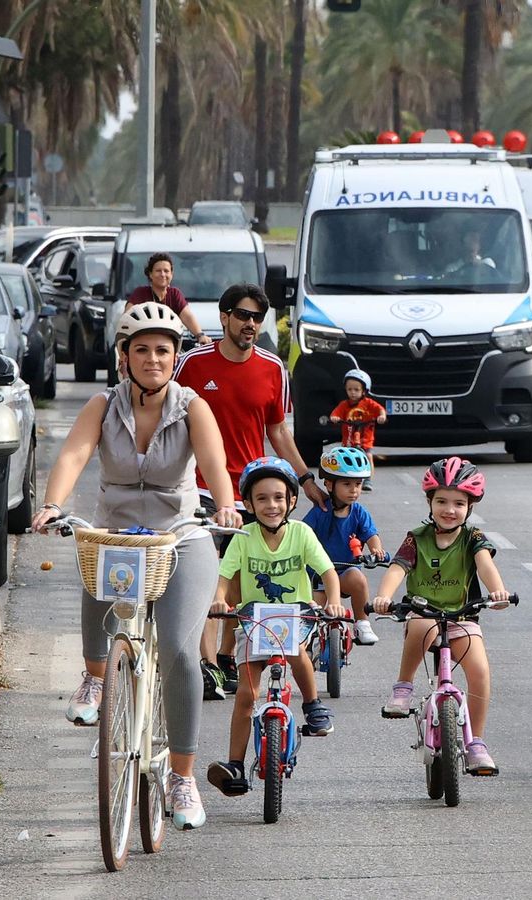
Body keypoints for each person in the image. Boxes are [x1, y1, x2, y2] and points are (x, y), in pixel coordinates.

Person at [31, 301, 242, 831]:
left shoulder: (193, 407)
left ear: (175, 358)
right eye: (141, 349)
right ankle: (95, 677)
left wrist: (224, 503)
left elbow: (215, 463)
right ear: (124, 356)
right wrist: (53, 503)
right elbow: (74, 456)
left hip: (179, 534)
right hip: (118, 533)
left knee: (177, 651)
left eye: (163, 350)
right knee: (94, 549)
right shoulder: (103, 406)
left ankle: (183, 776)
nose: (153, 358)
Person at [175, 284, 327, 699]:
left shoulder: (272, 368)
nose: (250, 324)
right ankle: (206, 667)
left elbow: (277, 430)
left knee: (244, 580)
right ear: (223, 317)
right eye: (243, 315)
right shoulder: (190, 364)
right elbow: (167, 414)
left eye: (257, 318)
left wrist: (306, 479)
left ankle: (227, 656)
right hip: (201, 488)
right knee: (208, 579)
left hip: (253, 492)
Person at [206, 458, 345, 797]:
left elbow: (327, 572)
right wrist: (220, 600)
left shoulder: (301, 533)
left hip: (294, 613)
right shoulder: (243, 537)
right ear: (249, 504)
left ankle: (312, 705)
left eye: (279, 497)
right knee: (246, 694)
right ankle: (235, 764)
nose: (272, 505)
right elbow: (224, 577)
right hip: (254, 617)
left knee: (296, 651)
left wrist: (334, 601)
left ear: (292, 501)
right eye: (263, 498)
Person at [370, 458, 513, 776]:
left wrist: (498, 592)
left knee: (480, 672)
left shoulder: (473, 538)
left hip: (462, 617)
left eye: (459, 503)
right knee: (421, 625)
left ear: (471, 506)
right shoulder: (416, 538)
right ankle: (403, 687)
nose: (450, 509)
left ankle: (476, 742)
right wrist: (384, 596)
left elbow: (485, 565)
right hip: (423, 612)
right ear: (429, 502)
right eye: (442, 501)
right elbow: (398, 568)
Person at [302, 446, 387, 645]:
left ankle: (362, 624)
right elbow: (302, 536)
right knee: (312, 611)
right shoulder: (319, 512)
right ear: (329, 485)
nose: (354, 490)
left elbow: (371, 535)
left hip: (345, 571)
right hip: (318, 576)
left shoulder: (359, 512)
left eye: (358, 484)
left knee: (358, 579)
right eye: (347, 484)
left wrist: (376, 550)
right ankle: (310, 638)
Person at [126, 252, 213, 346]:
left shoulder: (174, 294)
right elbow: (127, 317)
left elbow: (187, 316)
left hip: (169, 345)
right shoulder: (140, 293)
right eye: (158, 271)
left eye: (166, 271)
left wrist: (200, 335)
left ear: (171, 274)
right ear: (150, 274)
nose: (163, 274)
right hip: (144, 343)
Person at [327, 368, 386, 489]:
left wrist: (381, 416)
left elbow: (380, 409)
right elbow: (335, 413)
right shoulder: (344, 405)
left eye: (356, 389)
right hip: (349, 439)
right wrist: (334, 418)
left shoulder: (369, 403)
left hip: (365, 439)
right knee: (344, 456)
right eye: (349, 389)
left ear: (364, 390)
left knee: (368, 456)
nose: (353, 392)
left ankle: (368, 479)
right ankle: (343, 477)